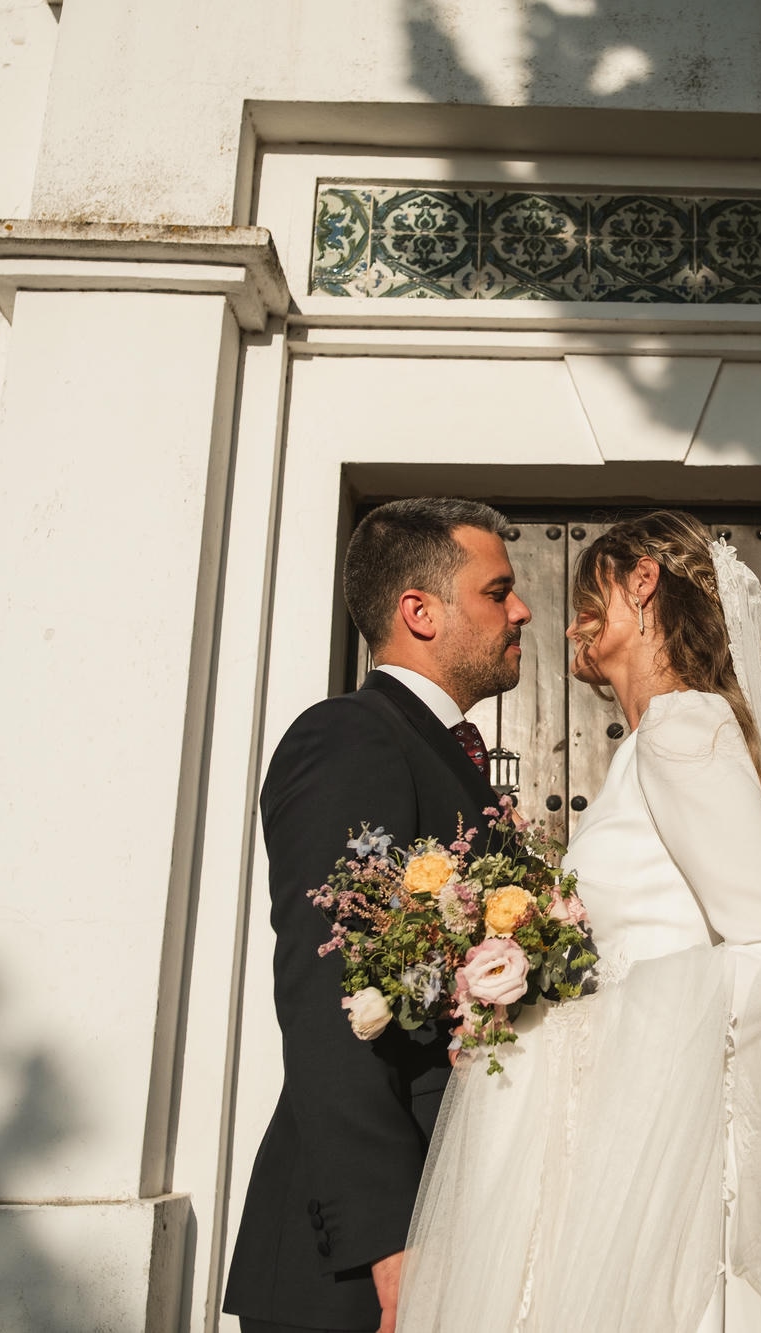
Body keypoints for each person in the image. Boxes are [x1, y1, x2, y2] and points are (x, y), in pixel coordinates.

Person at [398, 511, 761, 1332]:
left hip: (654, 1146)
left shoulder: (683, 726)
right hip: (606, 1140)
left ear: (642, 581)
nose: (568, 613)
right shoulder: (644, 745)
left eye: (590, 590)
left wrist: (609, 1035)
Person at [224, 498, 531, 1333]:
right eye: (498, 591)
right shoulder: (352, 738)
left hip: (458, 1205)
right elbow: (329, 993)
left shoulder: (446, 755)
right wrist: (389, 1240)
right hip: (367, 1260)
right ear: (419, 612)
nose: (522, 610)